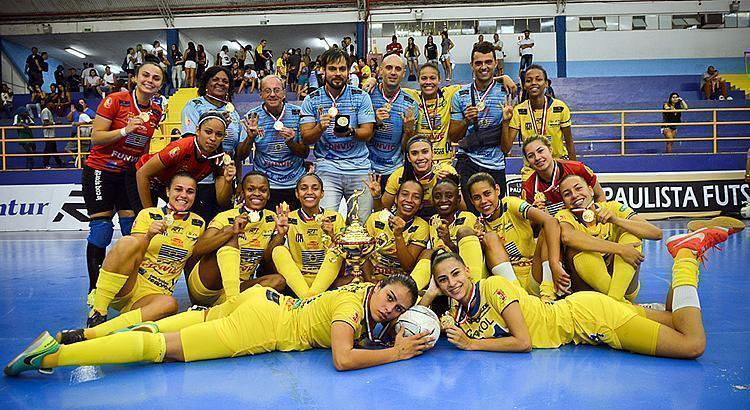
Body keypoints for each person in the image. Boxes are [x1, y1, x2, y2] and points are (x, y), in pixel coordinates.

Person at [420, 218, 742, 359]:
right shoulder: (457, 309)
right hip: (584, 313)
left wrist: (472, 346)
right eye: (444, 280)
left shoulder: (491, 288)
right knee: (676, 319)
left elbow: (523, 342)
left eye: (455, 274)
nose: (452, 283)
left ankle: (686, 255)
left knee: (692, 344)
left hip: (589, 319)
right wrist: (433, 293)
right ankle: (686, 261)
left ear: (468, 271)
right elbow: (425, 315)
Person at [5, 274, 433, 376]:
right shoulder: (351, 309)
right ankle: (56, 356)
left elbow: (390, 313)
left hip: (259, 299)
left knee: (161, 330)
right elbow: (341, 358)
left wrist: (420, 306)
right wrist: (396, 352)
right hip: (264, 326)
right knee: (161, 349)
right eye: (390, 299)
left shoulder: (360, 290)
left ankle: (81, 335)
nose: (391, 310)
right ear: (377, 287)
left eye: (398, 310)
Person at [60, 173, 205, 339]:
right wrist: (149, 235)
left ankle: (107, 330)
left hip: (154, 296)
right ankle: (97, 313)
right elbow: (134, 251)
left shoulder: (198, 223)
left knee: (170, 304)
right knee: (127, 242)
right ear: (167, 191)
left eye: (190, 191)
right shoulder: (148, 215)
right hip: (128, 284)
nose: (183, 195)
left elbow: (191, 264)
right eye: (178, 189)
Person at [82, 56, 164, 314]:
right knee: (101, 232)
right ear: (136, 78)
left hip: (129, 175)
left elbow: (144, 146)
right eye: (146, 75)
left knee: (133, 231)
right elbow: (96, 138)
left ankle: (127, 287)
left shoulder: (157, 111)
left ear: (160, 84)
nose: (150, 81)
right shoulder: (114, 100)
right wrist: (125, 130)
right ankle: (95, 291)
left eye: (156, 78)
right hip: (101, 172)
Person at [186, 172, 288, 306]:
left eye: (262, 190)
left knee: (278, 281)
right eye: (250, 189)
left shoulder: (272, 218)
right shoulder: (226, 216)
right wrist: (231, 232)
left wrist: (280, 235)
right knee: (230, 236)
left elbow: (267, 258)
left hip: (241, 285)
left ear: (268, 195)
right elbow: (198, 249)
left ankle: (224, 305)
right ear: (242, 192)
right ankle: (232, 304)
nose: (257, 194)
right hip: (208, 285)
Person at [556, 174, 663, 301]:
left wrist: (615, 220)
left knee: (632, 233)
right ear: (564, 202)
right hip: (589, 294)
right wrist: (620, 249)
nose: (574, 195)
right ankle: (621, 304)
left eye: (578, 188)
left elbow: (656, 233)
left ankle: (616, 301)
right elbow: (568, 237)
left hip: (624, 288)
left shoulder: (612, 207)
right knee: (577, 248)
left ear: (590, 190)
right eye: (567, 194)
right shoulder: (564, 215)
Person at [300, 48, 376, 223]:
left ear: (349, 71)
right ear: (323, 70)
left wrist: (351, 131)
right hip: (328, 169)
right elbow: (306, 137)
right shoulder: (311, 100)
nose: (338, 73)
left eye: (342, 69)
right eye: (332, 69)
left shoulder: (361, 96)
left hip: (359, 168)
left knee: (360, 226)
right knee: (326, 224)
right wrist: (320, 127)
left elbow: (367, 132)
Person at [467, 172, 566, 299]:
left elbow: (551, 221)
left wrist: (554, 263)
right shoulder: (476, 224)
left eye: (487, 194)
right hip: (509, 286)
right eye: (477, 198)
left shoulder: (510, 204)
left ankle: (548, 297)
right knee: (489, 237)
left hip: (534, 273)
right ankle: (519, 297)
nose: (483, 201)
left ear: (497, 190)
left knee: (548, 230)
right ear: (471, 201)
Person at [449, 42, 513, 212]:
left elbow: (507, 147)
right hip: (467, 161)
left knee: (494, 215)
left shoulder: (507, 91)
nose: (483, 67)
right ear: (472, 65)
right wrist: (466, 121)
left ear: (495, 63)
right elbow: (453, 137)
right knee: (467, 213)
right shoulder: (460, 95)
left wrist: (506, 122)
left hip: (495, 164)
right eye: (478, 63)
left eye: (488, 62)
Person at [182, 66, 249, 223]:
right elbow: (191, 144)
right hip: (202, 179)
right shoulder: (193, 106)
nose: (220, 83)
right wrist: (218, 126)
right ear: (206, 82)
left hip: (226, 179)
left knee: (222, 227)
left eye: (225, 81)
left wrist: (238, 181)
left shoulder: (232, 112)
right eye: (215, 79)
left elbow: (237, 155)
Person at [135, 111, 236, 214]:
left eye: (219, 134)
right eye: (208, 132)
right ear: (197, 131)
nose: (213, 138)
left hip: (169, 184)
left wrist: (228, 182)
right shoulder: (181, 148)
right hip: (143, 177)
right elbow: (142, 174)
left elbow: (222, 202)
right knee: (144, 221)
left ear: (223, 137)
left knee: (192, 215)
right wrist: (148, 214)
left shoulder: (218, 159)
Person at [271, 174, 347, 298]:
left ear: (322, 193)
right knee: (279, 250)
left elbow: (346, 254)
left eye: (315, 188)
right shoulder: (288, 218)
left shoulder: (335, 217)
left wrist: (332, 235)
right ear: (297, 193)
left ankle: (308, 298)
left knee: (336, 249)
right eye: (304, 188)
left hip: (326, 279)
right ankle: (309, 297)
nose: (309, 192)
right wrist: (280, 234)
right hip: (298, 281)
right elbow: (269, 256)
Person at [245, 75, 309, 210]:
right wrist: (250, 138)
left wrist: (291, 142)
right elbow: (241, 155)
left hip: (294, 183)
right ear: (261, 94)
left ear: (284, 93)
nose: (272, 94)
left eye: (277, 90)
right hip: (265, 185)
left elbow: (304, 153)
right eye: (267, 91)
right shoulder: (252, 116)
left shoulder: (298, 113)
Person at [508, 64, 575, 181]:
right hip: (532, 167)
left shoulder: (560, 107)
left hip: (557, 164)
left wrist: (574, 169)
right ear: (524, 85)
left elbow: (569, 142)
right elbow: (506, 147)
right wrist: (505, 122)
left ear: (546, 83)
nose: (533, 83)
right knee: (530, 199)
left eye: (538, 79)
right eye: (528, 80)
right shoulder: (519, 111)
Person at [371, 136, 459, 218]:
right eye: (414, 153)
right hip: (409, 223)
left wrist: (452, 184)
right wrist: (376, 197)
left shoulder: (446, 171)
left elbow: (463, 208)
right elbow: (382, 213)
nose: (420, 157)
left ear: (432, 154)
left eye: (425, 152)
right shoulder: (398, 175)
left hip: (440, 220)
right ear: (408, 158)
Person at [367, 54, 419, 190]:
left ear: (403, 73)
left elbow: (405, 148)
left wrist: (408, 132)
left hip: (395, 169)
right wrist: (375, 123)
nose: (393, 72)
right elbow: (359, 137)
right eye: (389, 68)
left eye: (398, 69)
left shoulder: (411, 105)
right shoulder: (367, 96)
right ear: (380, 70)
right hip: (367, 168)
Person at [364, 180, 429, 282]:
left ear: (421, 205)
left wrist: (399, 235)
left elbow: (408, 266)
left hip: (400, 280)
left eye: (416, 197)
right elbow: (363, 254)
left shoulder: (421, 226)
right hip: (372, 277)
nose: (409, 200)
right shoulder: (375, 218)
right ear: (396, 199)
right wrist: (369, 282)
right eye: (404, 194)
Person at [521, 136, 604, 217]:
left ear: (550, 150)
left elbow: (600, 196)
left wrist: (598, 223)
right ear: (528, 161)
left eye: (540, 151)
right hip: (557, 228)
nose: (537, 158)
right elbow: (529, 225)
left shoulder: (577, 169)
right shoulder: (529, 188)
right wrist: (536, 216)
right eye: (531, 156)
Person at [427, 176, 477, 253]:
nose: (443, 200)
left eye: (449, 196)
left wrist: (448, 242)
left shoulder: (468, 217)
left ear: (458, 199)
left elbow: (471, 255)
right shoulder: (433, 220)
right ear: (432, 200)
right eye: (437, 197)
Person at [41, 100, 64, 168]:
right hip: (48, 134)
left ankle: (59, 161)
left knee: (54, 149)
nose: (54, 104)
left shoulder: (49, 111)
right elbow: (45, 123)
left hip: (51, 134)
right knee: (48, 149)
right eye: (52, 103)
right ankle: (46, 164)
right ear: (49, 103)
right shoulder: (45, 111)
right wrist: (55, 123)